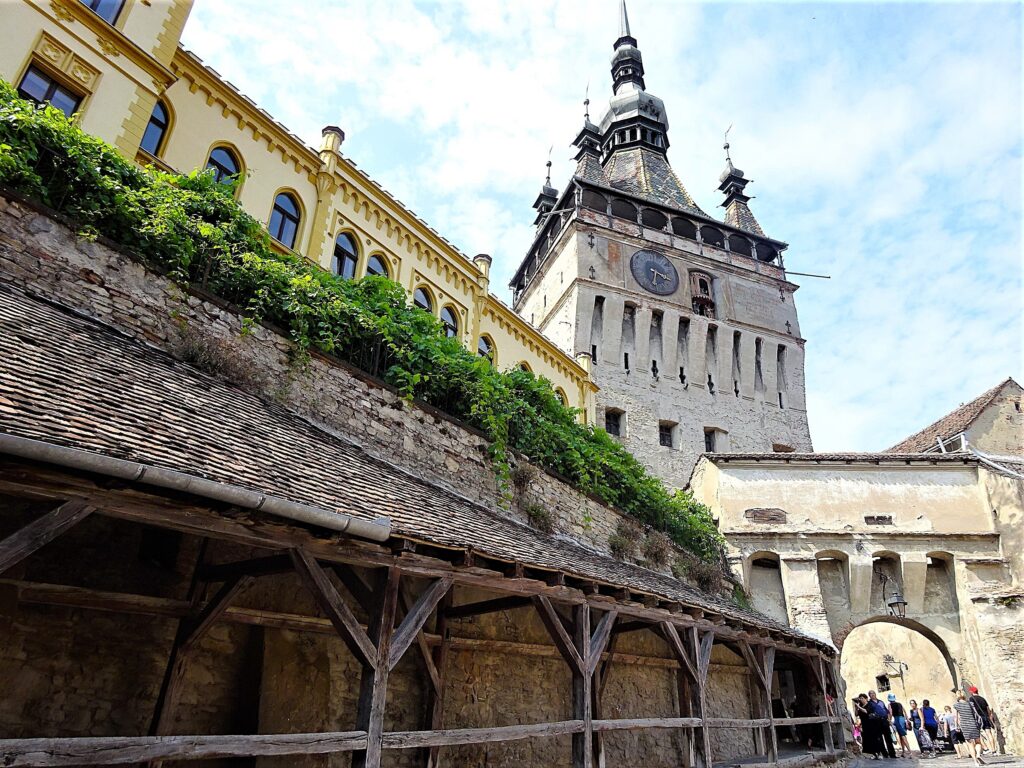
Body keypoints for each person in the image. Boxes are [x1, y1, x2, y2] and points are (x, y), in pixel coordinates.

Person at [954, 690, 986, 766]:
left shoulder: (956, 705)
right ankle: (978, 754)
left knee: (970, 744)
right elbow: (976, 714)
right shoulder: (970, 704)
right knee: (978, 742)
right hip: (973, 723)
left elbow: (956, 717)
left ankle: (975, 762)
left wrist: (957, 726)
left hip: (965, 725)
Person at [866, 690, 897, 759]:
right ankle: (884, 754)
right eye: (871, 694)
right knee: (880, 739)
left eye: (873, 693)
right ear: (869, 695)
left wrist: (889, 720)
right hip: (876, 722)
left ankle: (892, 754)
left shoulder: (881, 702)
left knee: (888, 737)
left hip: (884, 721)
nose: (873, 694)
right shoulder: (869, 703)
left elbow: (887, 711)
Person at [968, 686, 997, 755]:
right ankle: (993, 750)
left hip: (978, 718)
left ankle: (985, 748)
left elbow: (972, 709)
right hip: (985, 717)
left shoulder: (971, 699)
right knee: (989, 733)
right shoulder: (983, 699)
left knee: (978, 735)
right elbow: (988, 709)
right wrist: (990, 718)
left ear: (972, 692)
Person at [857, 694, 886, 759]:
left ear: (866, 698)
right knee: (868, 740)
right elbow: (857, 714)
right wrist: (857, 707)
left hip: (872, 724)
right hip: (865, 725)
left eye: (862, 698)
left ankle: (879, 753)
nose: (861, 700)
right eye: (860, 698)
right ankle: (874, 754)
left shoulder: (869, 705)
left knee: (875, 739)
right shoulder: (861, 706)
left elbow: (866, 711)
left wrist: (859, 707)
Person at [887, 693, 911, 757]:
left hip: (897, 719)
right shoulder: (899, 703)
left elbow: (891, 713)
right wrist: (907, 720)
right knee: (901, 736)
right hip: (902, 719)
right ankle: (903, 752)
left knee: (903, 736)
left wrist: (889, 720)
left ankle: (909, 752)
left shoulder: (890, 704)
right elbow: (905, 711)